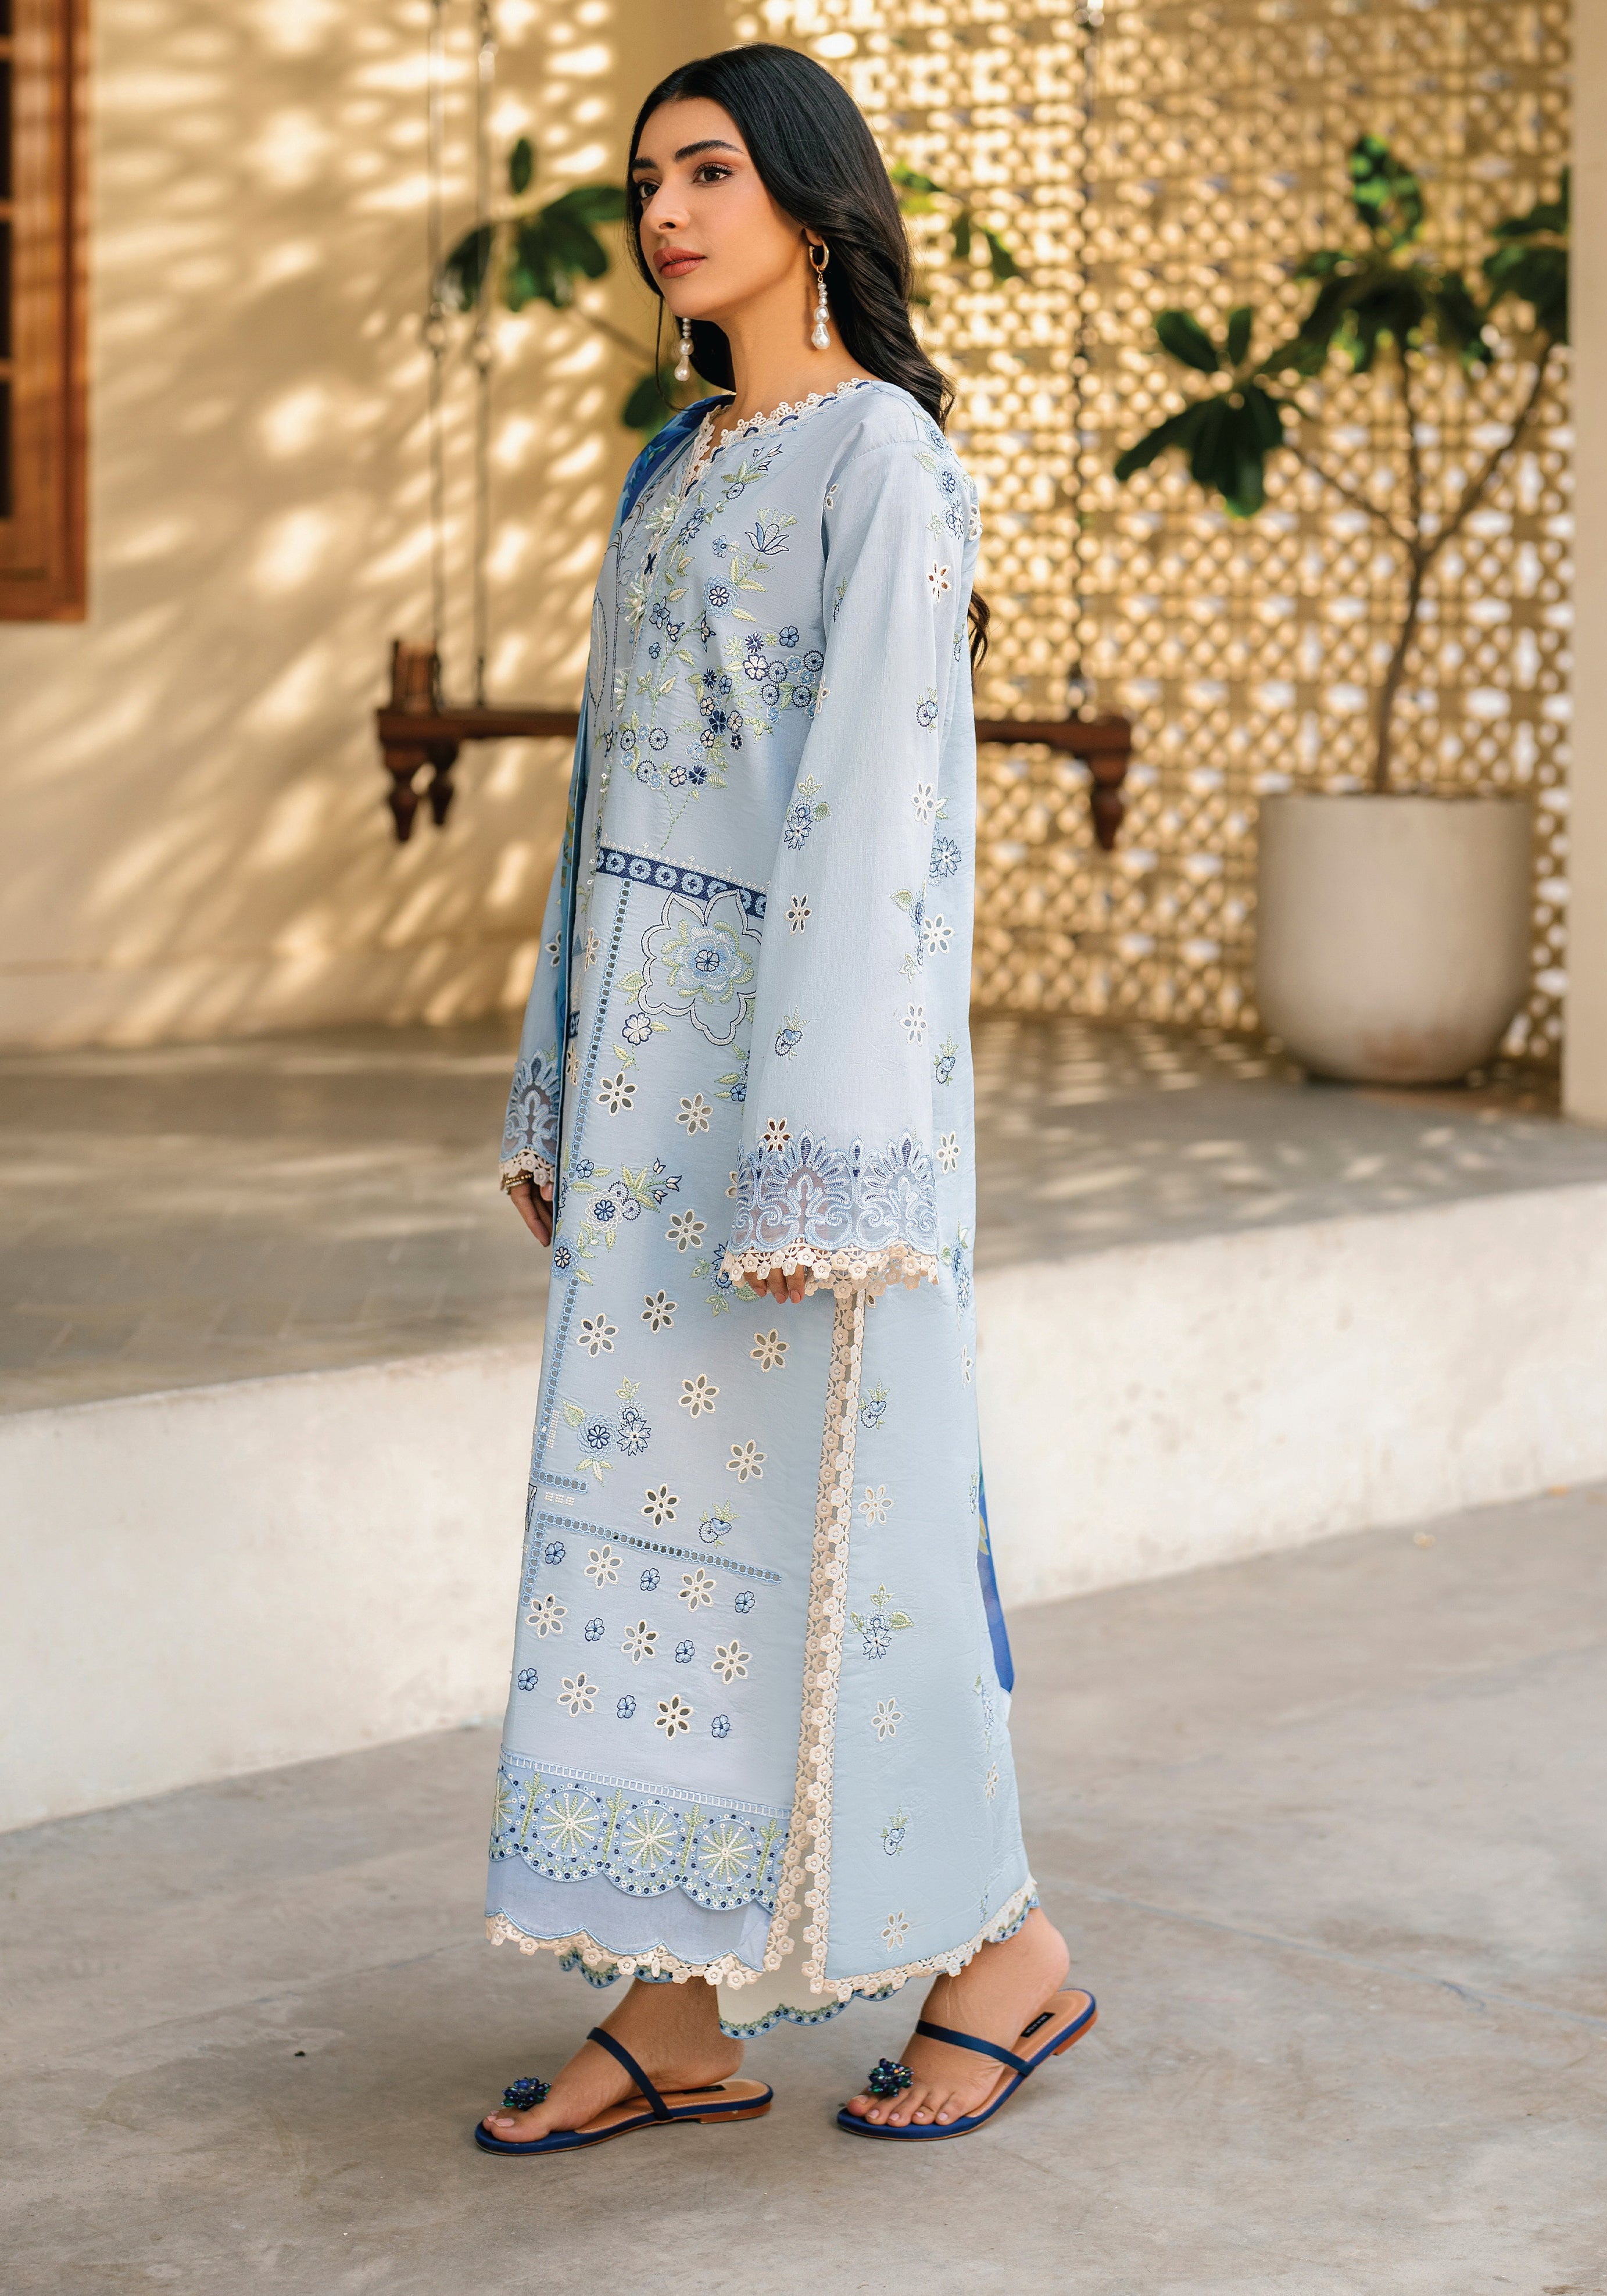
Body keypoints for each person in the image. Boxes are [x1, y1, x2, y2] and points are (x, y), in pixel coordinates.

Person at [478, 42, 1093, 2153]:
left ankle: (1000, 1950)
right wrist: (557, 1079)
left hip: (798, 1104)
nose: (663, 211)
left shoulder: (883, 459)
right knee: (644, 1556)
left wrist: (817, 1153)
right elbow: (601, 798)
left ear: (813, 200)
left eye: (709, 169)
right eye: (644, 179)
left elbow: (877, 820)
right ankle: (669, 2005)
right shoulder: (672, 465)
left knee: (850, 1536)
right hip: (642, 1100)